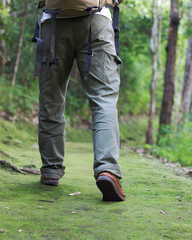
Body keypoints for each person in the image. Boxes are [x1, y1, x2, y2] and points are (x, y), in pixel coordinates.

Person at [36, 1, 125, 201]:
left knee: (51, 98)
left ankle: (51, 169)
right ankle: (107, 169)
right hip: (96, 20)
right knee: (104, 99)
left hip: (53, 21)